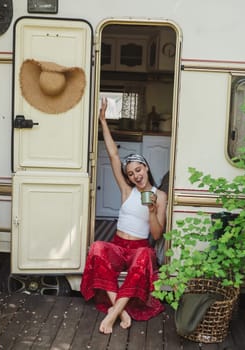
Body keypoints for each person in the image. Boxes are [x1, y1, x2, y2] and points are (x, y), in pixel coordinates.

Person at [80, 98, 167, 334]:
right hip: (119, 245)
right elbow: (113, 156)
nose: (136, 175)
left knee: (144, 257)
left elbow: (157, 234)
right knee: (97, 247)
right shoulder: (127, 191)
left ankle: (112, 314)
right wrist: (102, 122)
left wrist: (151, 212)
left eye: (138, 170)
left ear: (146, 168)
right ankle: (121, 310)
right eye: (131, 173)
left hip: (139, 247)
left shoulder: (160, 196)